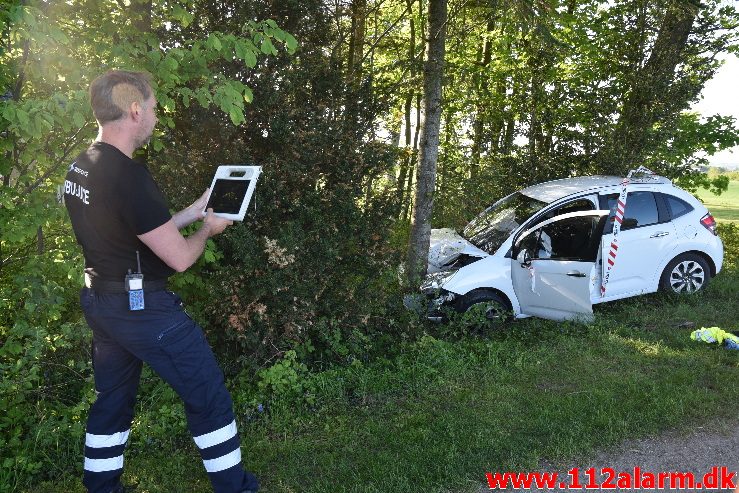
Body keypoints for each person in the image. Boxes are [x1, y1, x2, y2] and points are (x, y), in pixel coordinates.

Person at [64, 70, 259, 493]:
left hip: (102, 301)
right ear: (135, 110)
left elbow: (138, 231)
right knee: (207, 393)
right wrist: (209, 229)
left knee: (112, 399)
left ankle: (102, 488)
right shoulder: (130, 178)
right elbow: (180, 257)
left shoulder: (82, 166)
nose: (155, 116)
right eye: (153, 108)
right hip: (143, 309)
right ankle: (235, 488)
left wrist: (193, 211)